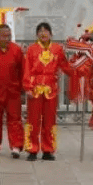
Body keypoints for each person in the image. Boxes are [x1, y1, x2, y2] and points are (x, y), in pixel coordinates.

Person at [22, 22, 72, 161]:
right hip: (35, 88)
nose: (43, 34)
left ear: (51, 34)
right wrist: (28, 87)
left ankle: (48, 149)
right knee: (33, 120)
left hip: (51, 89)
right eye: (40, 31)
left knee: (50, 121)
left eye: (46, 31)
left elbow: (65, 66)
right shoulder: (32, 49)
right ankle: (32, 149)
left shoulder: (57, 49)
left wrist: (78, 65)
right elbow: (27, 68)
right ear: (37, 34)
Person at [0, 23, 24, 157]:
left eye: (9, 36)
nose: (7, 39)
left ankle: (16, 145)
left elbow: (22, 70)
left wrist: (23, 89)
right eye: (4, 36)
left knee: (15, 118)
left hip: (13, 91)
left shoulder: (16, 50)